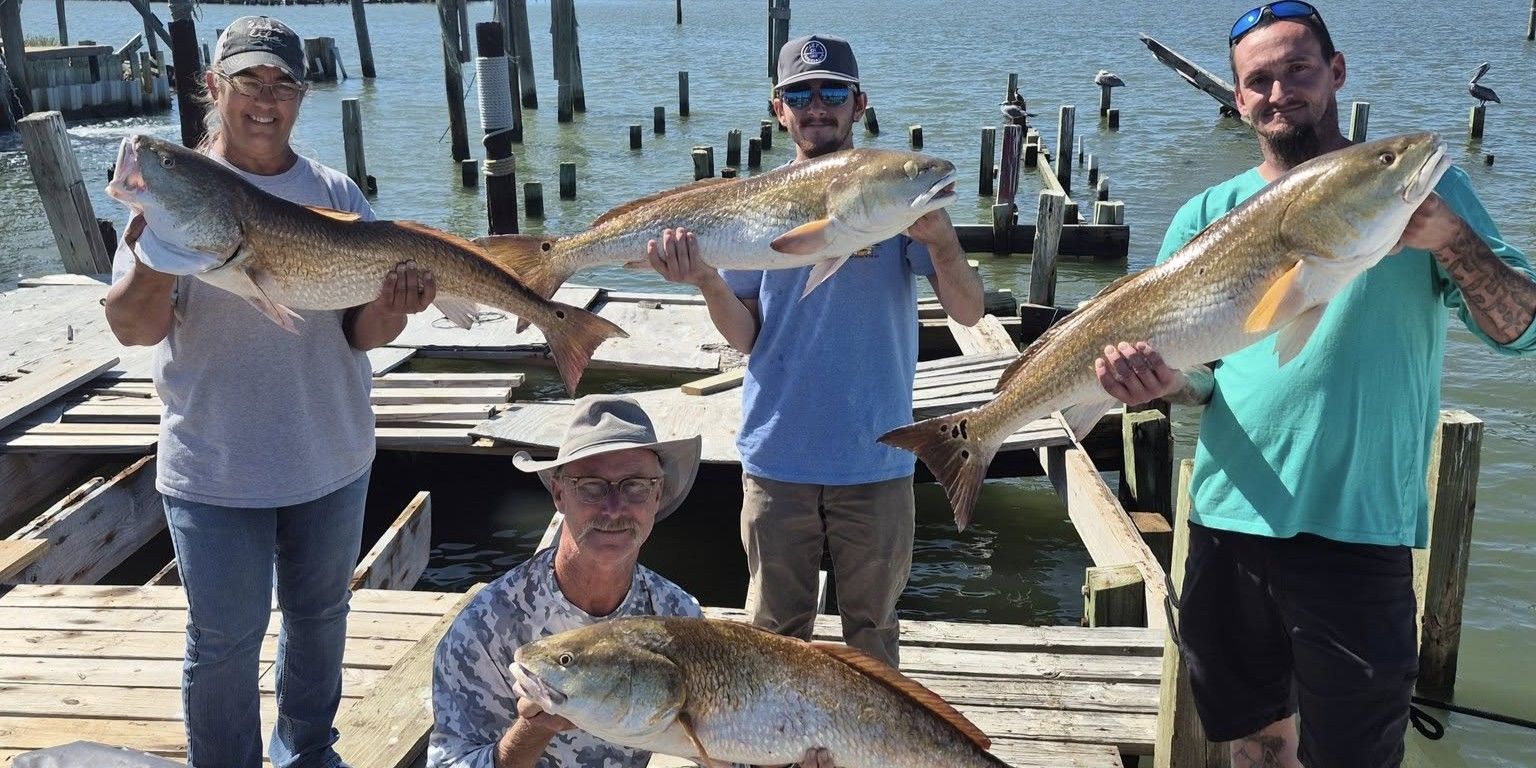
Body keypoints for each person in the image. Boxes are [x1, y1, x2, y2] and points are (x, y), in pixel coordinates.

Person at [1092, 4, 1536, 767]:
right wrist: (1157, 384)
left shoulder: (1421, 192)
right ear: (1238, 99)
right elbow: (1201, 385)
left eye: (1298, 70)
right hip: (1230, 521)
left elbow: (1518, 330)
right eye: (1258, 80)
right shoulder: (1207, 212)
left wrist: (1451, 240)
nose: (1279, 92)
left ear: (1336, 72)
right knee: (1254, 743)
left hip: (1359, 530)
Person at [102, 15, 435, 768]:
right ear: (213, 86)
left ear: (301, 95)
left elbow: (360, 335)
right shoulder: (171, 185)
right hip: (213, 467)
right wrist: (155, 251)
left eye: (282, 84)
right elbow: (131, 328)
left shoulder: (333, 190)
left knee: (320, 619)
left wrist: (394, 303)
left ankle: (307, 753)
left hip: (330, 454)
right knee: (223, 642)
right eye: (248, 81)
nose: (265, 99)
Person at [647, 34, 984, 670]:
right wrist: (705, 278)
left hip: (880, 458)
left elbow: (969, 312)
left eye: (832, 92)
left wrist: (940, 240)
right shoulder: (753, 205)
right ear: (780, 110)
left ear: (858, 104)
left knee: (874, 634)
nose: (817, 106)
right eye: (800, 94)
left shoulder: (896, 205)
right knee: (774, 637)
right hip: (778, 455)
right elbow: (747, 338)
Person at [427, 396, 832, 768]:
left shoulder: (676, 613)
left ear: (657, 497)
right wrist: (533, 729)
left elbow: (721, 747)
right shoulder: (486, 626)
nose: (614, 508)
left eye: (636, 486)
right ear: (558, 494)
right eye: (591, 487)